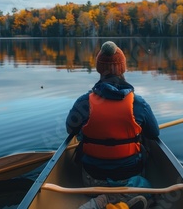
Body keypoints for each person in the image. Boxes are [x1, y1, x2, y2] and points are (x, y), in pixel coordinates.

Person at [66, 41, 159, 209]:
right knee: (144, 149)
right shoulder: (138, 103)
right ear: (122, 69)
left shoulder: (83, 103)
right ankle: (119, 198)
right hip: (129, 177)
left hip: (92, 181)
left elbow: (69, 129)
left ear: (100, 69)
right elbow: (153, 134)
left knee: (82, 136)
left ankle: (102, 200)